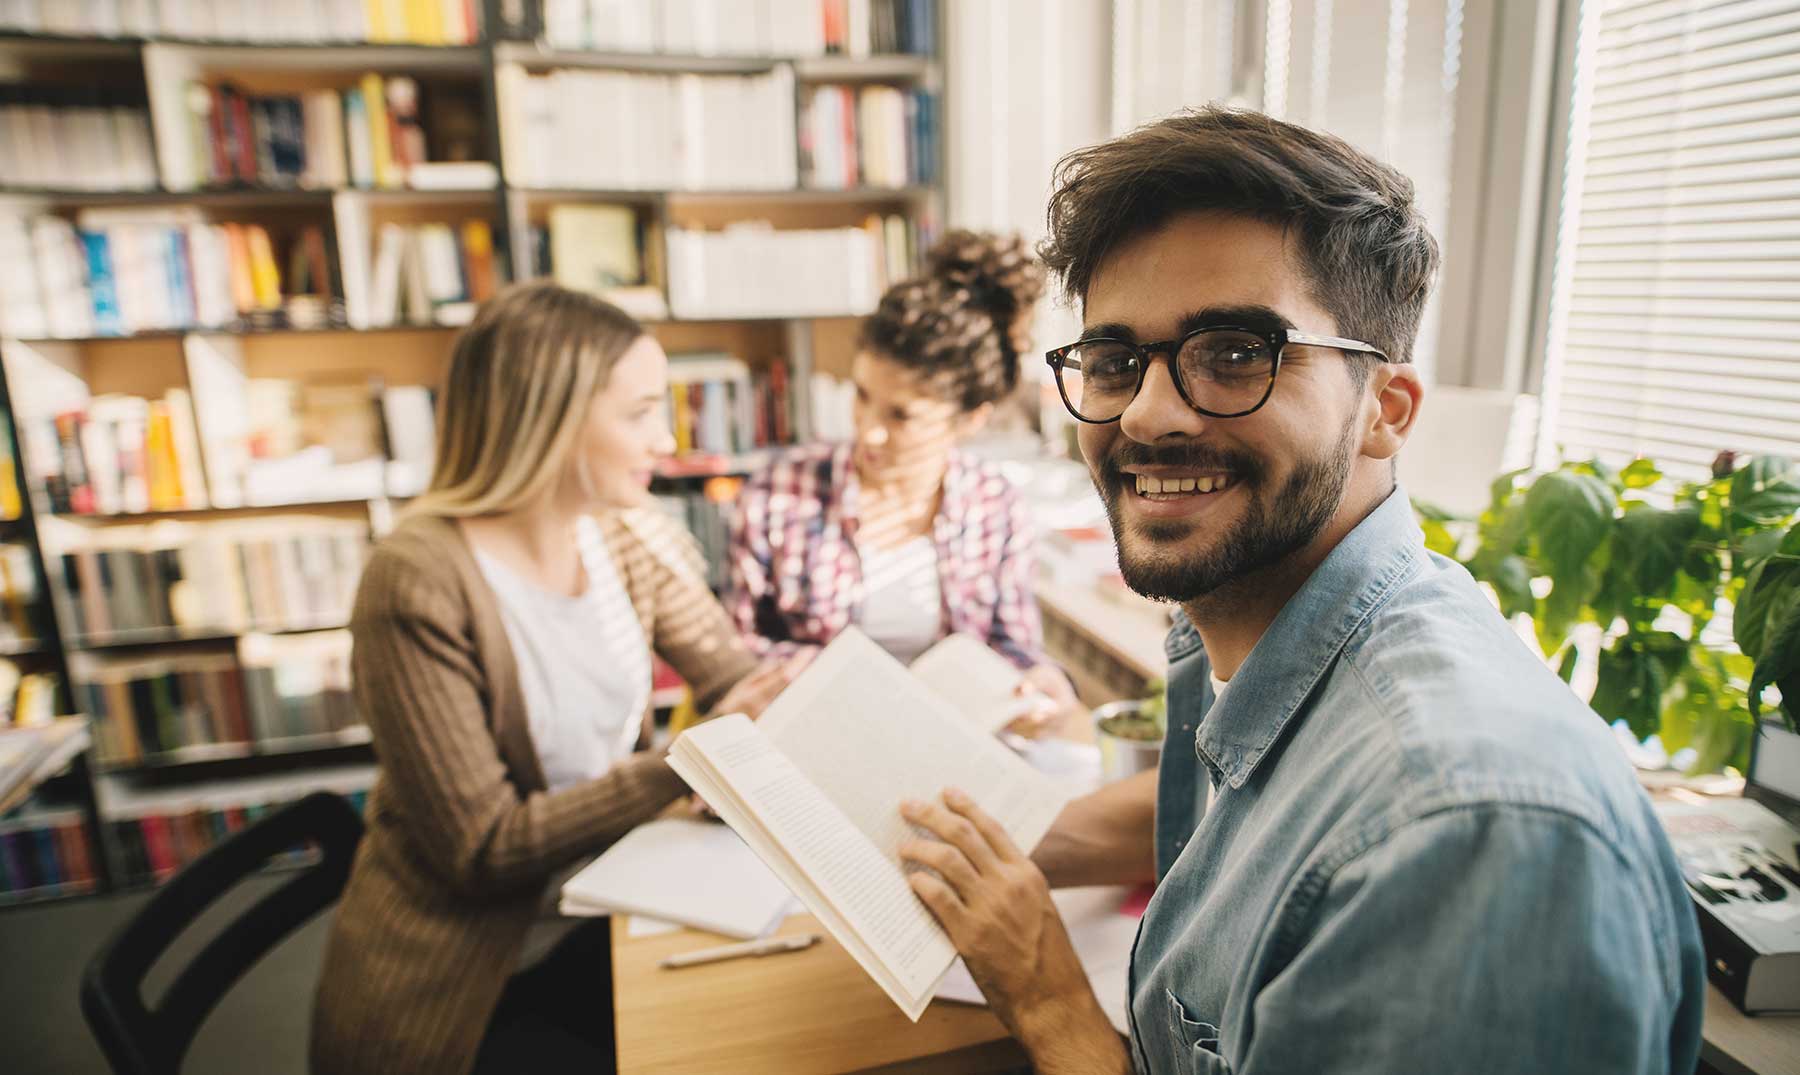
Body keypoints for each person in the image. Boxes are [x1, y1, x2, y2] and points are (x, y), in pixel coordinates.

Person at [895, 108, 1706, 1073]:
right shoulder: (1264, 632)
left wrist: (1046, 996)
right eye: (1115, 362)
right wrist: (1007, 842)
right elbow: (1260, 820)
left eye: (1236, 351)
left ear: (1384, 412)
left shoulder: (1468, 838)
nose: (1148, 413)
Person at [311, 283, 796, 1075]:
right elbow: (483, 849)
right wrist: (686, 760)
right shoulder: (416, 580)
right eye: (639, 413)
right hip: (468, 984)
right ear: (552, 419)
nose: (666, 436)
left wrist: (808, 699)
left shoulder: (623, 532)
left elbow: (736, 674)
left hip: (606, 909)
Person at [728, 230, 1076, 725]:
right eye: (862, 396)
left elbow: (1013, 647)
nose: (867, 432)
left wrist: (1037, 680)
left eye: (901, 416)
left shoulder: (995, 509)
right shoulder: (777, 496)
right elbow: (739, 653)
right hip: (816, 731)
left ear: (970, 419)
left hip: (951, 740)